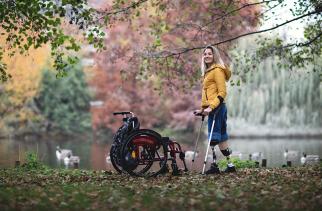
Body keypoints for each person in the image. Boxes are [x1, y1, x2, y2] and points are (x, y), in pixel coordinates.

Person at [194, 45, 236, 174]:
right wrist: (202, 110)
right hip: (213, 108)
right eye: (205, 54)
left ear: (214, 56)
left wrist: (211, 107)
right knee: (222, 138)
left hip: (217, 108)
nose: (206, 56)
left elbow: (222, 93)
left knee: (214, 137)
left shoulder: (217, 70)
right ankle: (230, 165)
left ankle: (214, 166)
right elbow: (208, 94)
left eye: (209, 54)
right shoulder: (208, 72)